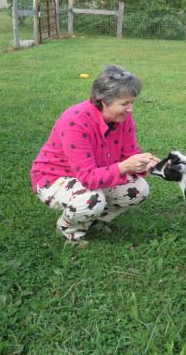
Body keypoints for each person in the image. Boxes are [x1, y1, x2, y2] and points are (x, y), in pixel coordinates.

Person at [31, 64, 159, 246]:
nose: (130, 109)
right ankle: (68, 230)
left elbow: (130, 153)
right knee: (92, 198)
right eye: (124, 104)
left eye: (132, 102)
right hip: (54, 178)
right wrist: (124, 166)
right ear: (104, 101)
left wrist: (147, 163)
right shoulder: (75, 121)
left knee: (139, 189)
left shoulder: (124, 119)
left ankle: (94, 219)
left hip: (94, 175)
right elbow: (88, 178)